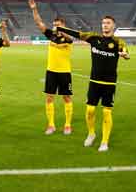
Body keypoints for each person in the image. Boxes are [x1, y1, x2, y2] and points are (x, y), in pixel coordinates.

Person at [56, 16, 130, 152]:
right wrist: (60, 28)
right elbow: (77, 34)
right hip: (94, 82)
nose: (105, 25)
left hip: (109, 83)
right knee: (90, 110)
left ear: (113, 26)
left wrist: (125, 55)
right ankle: (91, 133)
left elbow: (125, 51)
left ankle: (104, 141)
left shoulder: (118, 42)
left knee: (107, 112)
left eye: (108, 23)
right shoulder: (93, 37)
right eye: (103, 23)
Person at [28, 0, 74, 135]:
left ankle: (67, 125)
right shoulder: (51, 35)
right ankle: (51, 125)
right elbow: (38, 23)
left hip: (65, 72)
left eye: (58, 25)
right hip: (51, 71)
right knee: (49, 98)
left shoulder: (68, 37)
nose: (55, 27)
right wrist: (34, 9)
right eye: (54, 25)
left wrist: (61, 29)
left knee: (66, 98)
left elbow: (70, 38)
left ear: (63, 25)